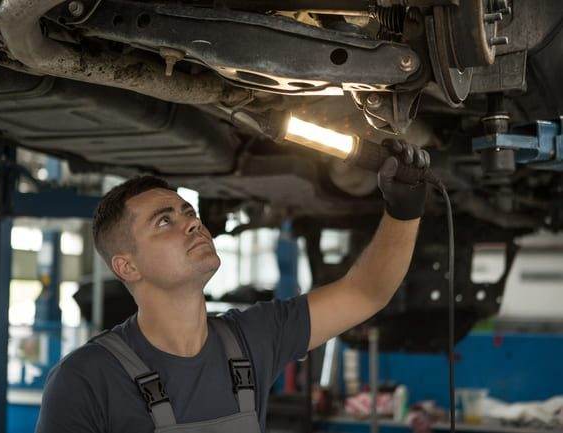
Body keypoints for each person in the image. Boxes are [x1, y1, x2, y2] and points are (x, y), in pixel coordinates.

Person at [35, 140, 430, 433]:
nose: (193, 223)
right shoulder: (85, 379)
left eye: (188, 212)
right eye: (164, 221)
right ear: (127, 266)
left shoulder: (252, 337)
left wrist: (404, 210)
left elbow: (366, 292)